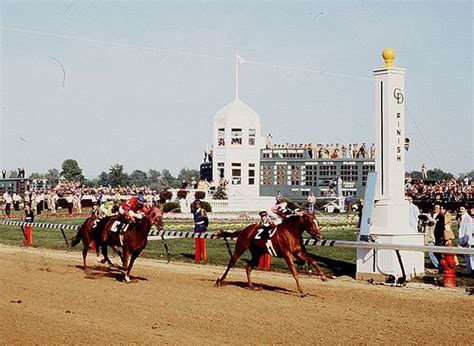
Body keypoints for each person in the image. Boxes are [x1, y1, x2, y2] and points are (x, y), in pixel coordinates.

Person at [457, 205, 473, 276]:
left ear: (466, 210)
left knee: (469, 256)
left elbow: (468, 231)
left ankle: (470, 271)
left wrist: (465, 241)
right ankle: (469, 270)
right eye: (460, 209)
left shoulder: (468, 218)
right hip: (462, 238)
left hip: (466, 239)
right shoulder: (462, 217)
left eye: (462, 209)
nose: (461, 210)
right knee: (466, 256)